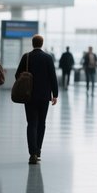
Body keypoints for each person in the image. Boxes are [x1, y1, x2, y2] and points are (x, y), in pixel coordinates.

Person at [16, 34, 58, 164]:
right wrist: (55, 95)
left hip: (29, 96)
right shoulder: (47, 58)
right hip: (44, 96)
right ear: (42, 43)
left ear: (32, 43)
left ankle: (32, 153)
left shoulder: (26, 57)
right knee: (41, 123)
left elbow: (18, 74)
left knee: (32, 123)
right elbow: (53, 77)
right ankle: (38, 149)